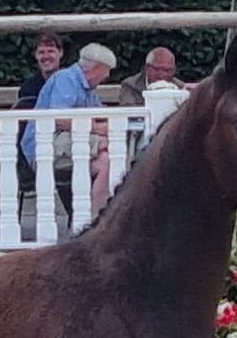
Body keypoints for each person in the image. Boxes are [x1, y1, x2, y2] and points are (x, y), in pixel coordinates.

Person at [20, 42, 117, 218]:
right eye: (107, 70)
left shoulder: (88, 88)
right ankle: (95, 219)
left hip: (68, 145)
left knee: (107, 162)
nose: (107, 76)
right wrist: (98, 129)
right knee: (106, 143)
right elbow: (61, 119)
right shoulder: (66, 79)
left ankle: (93, 218)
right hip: (46, 145)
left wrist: (111, 124)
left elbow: (101, 115)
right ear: (95, 68)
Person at [118, 46, 186, 106]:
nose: (162, 75)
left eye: (167, 70)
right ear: (147, 68)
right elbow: (129, 111)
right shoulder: (130, 85)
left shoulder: (179, 87)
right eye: (157, 69)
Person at [17, 32, 64, 104]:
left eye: (51, 51)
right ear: (35, 55)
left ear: (60, 53)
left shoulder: (72, 83)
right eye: (41, 52)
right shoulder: (28, 88)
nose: (46, 56)